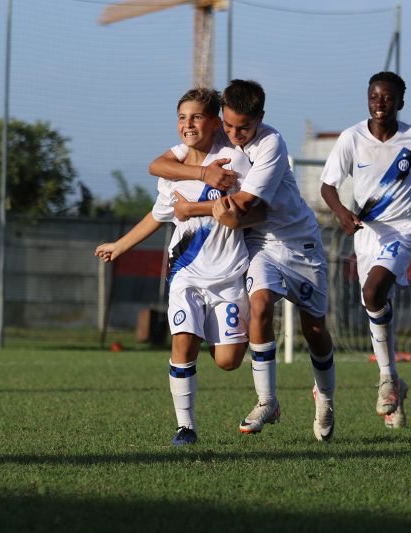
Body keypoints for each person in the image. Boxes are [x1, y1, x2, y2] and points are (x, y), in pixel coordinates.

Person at [149, 80, 337, 442]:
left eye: (244, 127)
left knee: (314, 331)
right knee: (261, 304)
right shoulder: (220, 142)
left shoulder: (271, 144)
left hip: (299, 243)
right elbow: (160, 164)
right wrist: (203, 176)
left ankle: (325, 397)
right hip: (261, 245)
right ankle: (267, 401)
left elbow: (243, 207)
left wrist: (192, 208)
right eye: (229, 125)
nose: (235, 134)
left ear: (260, 119)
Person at [96, 88, 264, 446]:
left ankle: (211, 333)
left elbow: (256, 206)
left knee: (229, 361)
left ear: (216, 122)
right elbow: (158, 216)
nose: (188, 124)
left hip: (229, 275)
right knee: (182, 343)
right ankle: (185, 428)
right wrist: (120, 246)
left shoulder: (236, 160)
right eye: (182, 117)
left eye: (197, 117)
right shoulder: (176, 170)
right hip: (185, 272)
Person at [320, 71, 411, 429]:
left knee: (373, 291)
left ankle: (385, 380)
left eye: (386, 97)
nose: (379, 103)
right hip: (366, 234)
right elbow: (328, 186)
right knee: (377, 304)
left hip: (402, 230)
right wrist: (342, 213)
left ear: (400, 102)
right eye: (373, 97)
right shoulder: (351, 138)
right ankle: (396, 384)